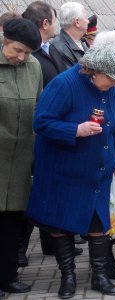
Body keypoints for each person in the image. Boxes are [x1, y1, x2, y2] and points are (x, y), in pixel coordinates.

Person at [27, 45, 115, 298]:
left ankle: (100, 276)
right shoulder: (64, 84)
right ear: (93, 71)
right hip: (64, 168)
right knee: (62, 224)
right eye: (111, 79)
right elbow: (41, 122)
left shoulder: (112, 88)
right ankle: (68, 277)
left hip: (97, 170)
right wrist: (76, 130)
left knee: (98, 222)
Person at [21, 0, 80, 266]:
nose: (56, 25)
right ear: (46, 23)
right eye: (54, 20)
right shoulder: (28, 54)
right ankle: (19, 250)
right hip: (32, 131)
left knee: (47, 191)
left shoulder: (50, 50)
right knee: (28, 193)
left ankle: (52, 243)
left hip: (54, 131)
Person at [0, 18, 42, 298]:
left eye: (27, 52)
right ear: (4, 39)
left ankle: (7, 276)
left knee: (12, 222)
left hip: (20, 160)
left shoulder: (34, 68)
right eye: (17, 50)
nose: (21, 57)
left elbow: (39, 109)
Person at [51, 2, 89, 69]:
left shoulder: (82, 43)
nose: (88, 21)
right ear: (77, 22)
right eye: (86, 17)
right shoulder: (58, 48)